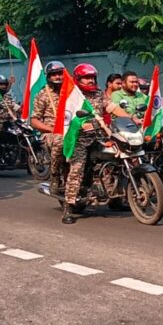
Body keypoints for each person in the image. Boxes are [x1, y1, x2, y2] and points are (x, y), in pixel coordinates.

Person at [61, 64, 109, 224]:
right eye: (86, 78)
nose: (91, 80)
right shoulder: (73, 95)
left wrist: (130, 118)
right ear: (78, 79)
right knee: (77, 169)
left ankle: (116, 197)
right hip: (79, 139)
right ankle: (68, 207)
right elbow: (67, 116)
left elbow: (111, 107)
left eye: (92, 77)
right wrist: (80, 124)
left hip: (98, 137)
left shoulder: (99, 93)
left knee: (116, 159)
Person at [31, 61, 68, 194]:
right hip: (52, 132)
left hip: (73, 129)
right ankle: (55, 175)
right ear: (48, 77)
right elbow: (34, 120)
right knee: (59, 141)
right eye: (54, 74)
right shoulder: (43, 94)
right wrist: (52, 129)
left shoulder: (71, 91)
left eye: (60, 73)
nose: (58, 77)